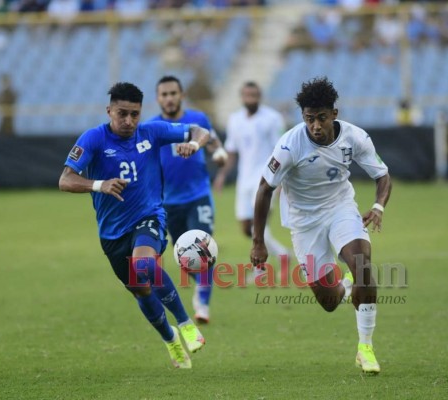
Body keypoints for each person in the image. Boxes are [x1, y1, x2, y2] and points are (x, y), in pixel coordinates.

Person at [58, 82, 210, 369]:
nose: (129, 121)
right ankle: (170, 339)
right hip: (112, 233)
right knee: (140, 290)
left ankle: (186, 324)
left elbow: (200, 131)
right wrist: (100, 185)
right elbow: (65, 179)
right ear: (109, 110)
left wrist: (193, 144)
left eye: (135, 114)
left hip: (149, 216)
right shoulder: (93, 139)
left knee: (145, 265)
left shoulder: (152, 132)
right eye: (122, 114)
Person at [250, 77, 392, 374]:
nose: (315, 125)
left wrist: (378, 206)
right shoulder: (290, 144)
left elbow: (382, 174)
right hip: (304, 222)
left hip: (341, 208)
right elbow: (264, 188)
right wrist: (258, 241)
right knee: (329, 302)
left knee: (363, 266)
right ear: (303, 117)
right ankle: (344, 284)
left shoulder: (355, 138)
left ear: (334, 114)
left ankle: (365, 347)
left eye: (322, 118)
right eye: (309, 118)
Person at [149, 75, 227, 324]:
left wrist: (219, 154)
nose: (169, 98)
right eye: (164, 94)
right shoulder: (152, 127)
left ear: (181, 95)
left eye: (173, 93)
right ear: (158, 98)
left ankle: (202, 303)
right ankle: (202, 284)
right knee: (184, 256)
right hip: (168, 202)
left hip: (198, 196)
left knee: (202, 248)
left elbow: (213, 142)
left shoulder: (197, 119)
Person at [214, 81, 290, 274]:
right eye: (247, 95)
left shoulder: (272, 118)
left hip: (265, 179)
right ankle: (281, 253)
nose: (251, 99)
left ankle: (260, 269)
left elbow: (280, 151)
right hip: (244, 178)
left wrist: (280, 181)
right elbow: (232, 150)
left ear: (260, 96)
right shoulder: (235, 119)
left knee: (259, 224)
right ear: (242, 97)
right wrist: (222, 175)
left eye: (254, 95)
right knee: (246, 227)